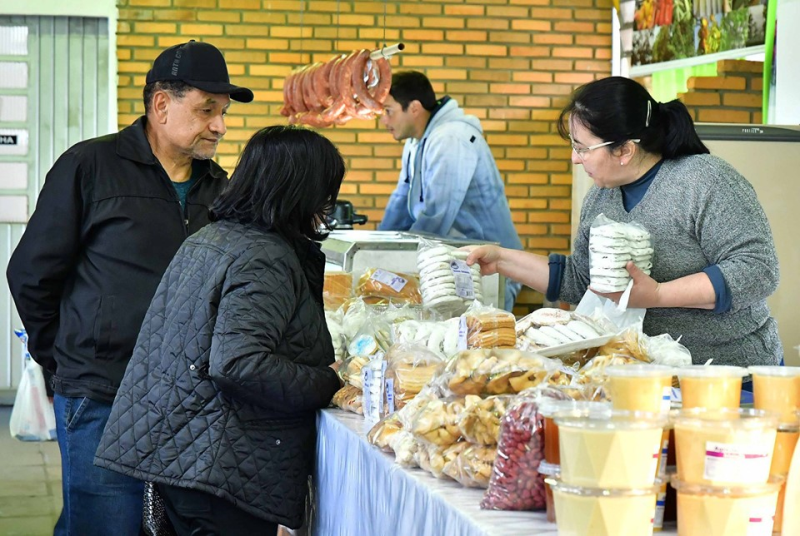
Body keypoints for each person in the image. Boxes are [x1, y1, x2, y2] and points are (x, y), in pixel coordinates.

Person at [6, 40, 252, 536]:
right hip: (102, 394)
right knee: (102, 524)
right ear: (162, 104)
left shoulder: (218, 189)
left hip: (189, 401)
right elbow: (31, 272)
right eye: (207, 110)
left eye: (222, 113)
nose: (220, 126)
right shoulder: (90, 167)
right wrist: (64, 357)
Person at [94, 125, 345, 535]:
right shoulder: (264, 256)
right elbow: (239, 364)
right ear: (301, 190)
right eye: (325, 192)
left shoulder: (212, 238)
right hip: (219, 471)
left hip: (182, 456)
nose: (327, 205)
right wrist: (328, 380)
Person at [466, 76, 781, 368]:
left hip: (729, 373)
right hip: (646, 374)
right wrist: (502, 259)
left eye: (582, 148)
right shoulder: (601, 197)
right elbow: (581, 279)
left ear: (625, 150)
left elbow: (757, 270)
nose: (575, 159)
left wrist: (658, 295)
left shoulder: (704, 182)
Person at [377, 70, 523, 311]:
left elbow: (437, 215)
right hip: (458, 261)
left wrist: (399, 262)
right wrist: (379, 245)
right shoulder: (416, 142)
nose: (384, 120)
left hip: (490, 267)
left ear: (414, 108)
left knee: (478, 342)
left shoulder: (451, 138)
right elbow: (401, 200)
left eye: (388, 111)